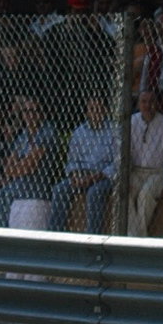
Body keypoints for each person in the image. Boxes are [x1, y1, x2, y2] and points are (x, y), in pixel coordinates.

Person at [48, 94, 117, 234]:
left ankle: (93, 237)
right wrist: (75, 176)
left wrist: (94, 177)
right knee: (60, 189)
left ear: (105, 111)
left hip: (103, 176)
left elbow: (117, 162)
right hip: (81, 174)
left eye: (99, 109)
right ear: (87, 112)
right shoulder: (79, 132)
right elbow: (72, 161)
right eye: (92, 109)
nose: (95, 112)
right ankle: (55, 234)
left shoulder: (114, 131)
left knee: (94, 192)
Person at [0, 95, 57, 228]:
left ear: (41, 113)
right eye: (26, 111)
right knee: (0, 193)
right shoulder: (23, 136)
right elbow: (8, 168)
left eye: (33, 111)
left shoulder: (47, 132)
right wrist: (19, 167)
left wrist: (18, 167)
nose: (29, 115)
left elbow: (30, 166)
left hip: (39, 184)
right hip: (20, 183)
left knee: (3, 194)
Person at [129, 89, 163, 236]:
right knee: (125, 192)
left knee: (146, 195)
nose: (148, 105)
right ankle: (133, 236)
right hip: (136, 170)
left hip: (157, 172)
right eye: (144, 102)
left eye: (151, 102)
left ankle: (137, 238)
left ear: (157, 104)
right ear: (138, 104)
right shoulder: (131, 121)